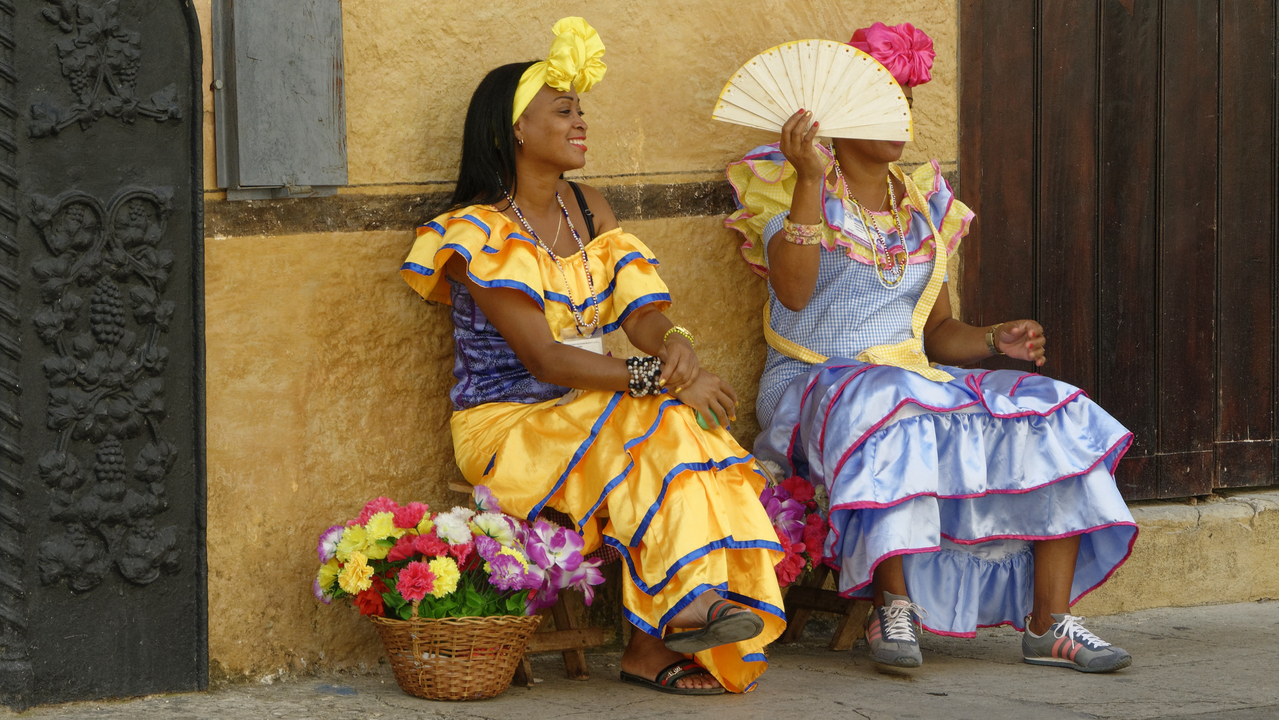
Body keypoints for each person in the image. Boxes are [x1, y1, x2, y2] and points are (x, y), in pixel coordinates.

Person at [725, 21, 1136, 673]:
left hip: (910, 377)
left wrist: (992, 339)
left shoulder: (922, 211)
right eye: (880, 99)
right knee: (890, 402)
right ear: (835, 115)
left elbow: (939, 334)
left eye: (904, 100)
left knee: (1050, 407)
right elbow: (795, 295)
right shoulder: (798, 196)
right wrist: (808, 177)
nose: (899, 113)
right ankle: (894, 608)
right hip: (815, 386)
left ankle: (1048, 622)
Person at [401, 18, 784, 694]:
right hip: (507, 425)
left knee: (676, 428)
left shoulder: (589, 207)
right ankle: (679, 614)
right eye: (563, 111)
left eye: (581, 111)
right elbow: (546, 359)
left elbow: (638, 309)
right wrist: (658, 381)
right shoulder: (475, 233)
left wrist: (673, 347)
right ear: (515, 128)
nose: (580, 123)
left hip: (594, 409)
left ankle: (666, 629)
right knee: (657, 423)